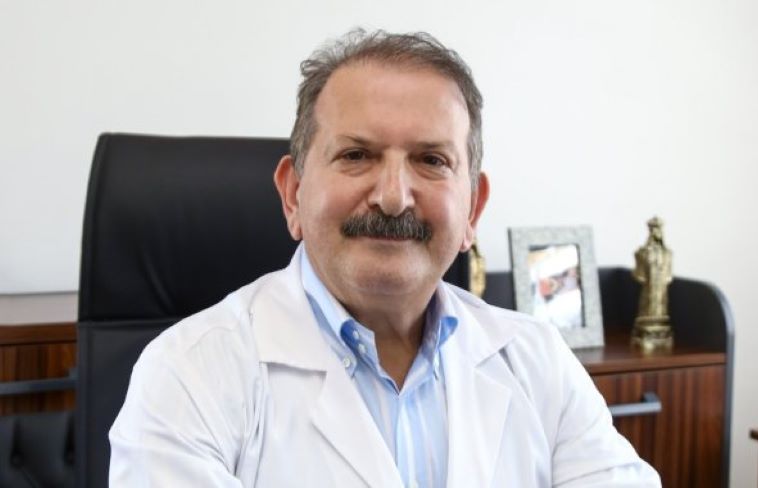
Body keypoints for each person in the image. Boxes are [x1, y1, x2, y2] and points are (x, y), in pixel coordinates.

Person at [108, 29, 660, 487]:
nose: (393, 197)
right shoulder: (188, 374)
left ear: (472, 209)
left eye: (431, 160)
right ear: (293, 195)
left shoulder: (537, 360)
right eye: (356, 155)